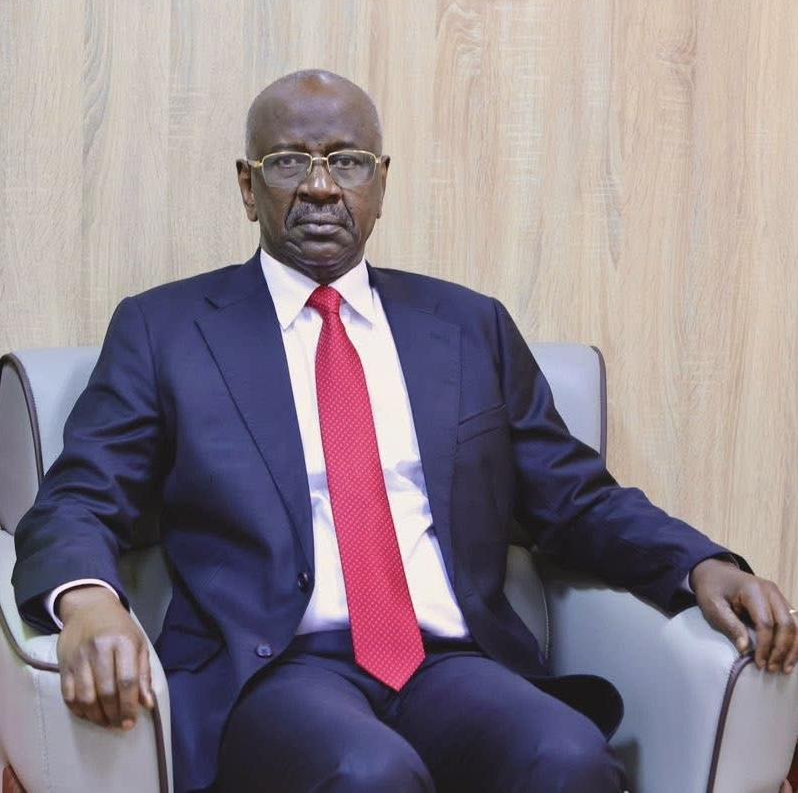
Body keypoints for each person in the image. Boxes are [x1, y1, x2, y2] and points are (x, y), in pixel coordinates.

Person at [12, 69, 798, 793]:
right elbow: (81, 496)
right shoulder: (168, 330)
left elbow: (574, 497)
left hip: (448, 661)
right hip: (273, 672)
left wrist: (698, 564)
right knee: (369, 775)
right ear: (248, 188)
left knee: (569, 758)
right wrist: (88, 602)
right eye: (288, 162)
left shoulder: (468, 326)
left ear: (381, 183)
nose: (321, 186)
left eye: (348, 161)